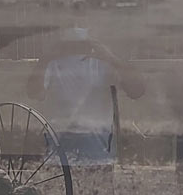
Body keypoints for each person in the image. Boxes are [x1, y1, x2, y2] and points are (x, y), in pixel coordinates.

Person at [27, 27, 146, 164]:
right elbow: (34, 93)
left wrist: (111, 58)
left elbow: (137, 90)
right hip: (60, 150)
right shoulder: (52, 64)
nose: (76, 50)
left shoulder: (103, 64)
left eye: (81, 45)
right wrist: (46, 58)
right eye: (73, 45)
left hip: (99, 152)